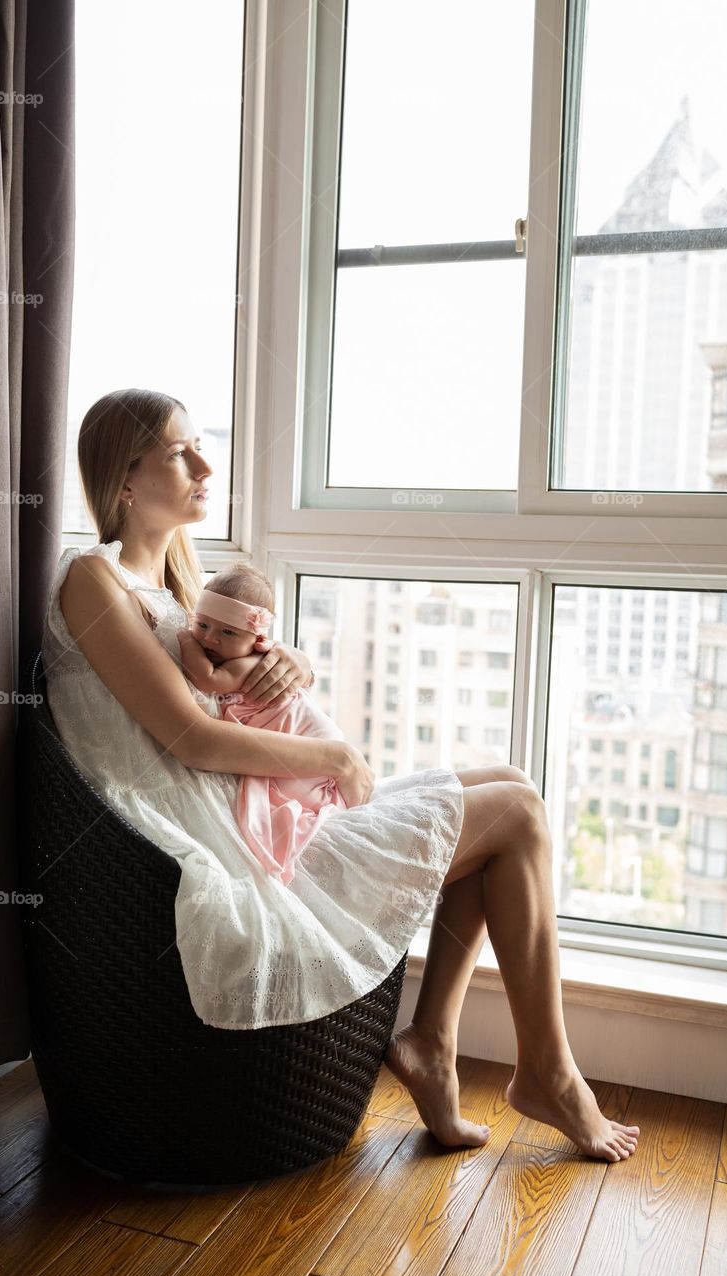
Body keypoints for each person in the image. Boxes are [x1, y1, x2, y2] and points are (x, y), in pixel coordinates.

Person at [43, 387, 640, 1162]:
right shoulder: (92, 579)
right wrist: (336, 759)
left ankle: (433, 1041)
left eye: (200, 445)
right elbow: (192, 738)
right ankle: (548, 1076)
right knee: (516, 817)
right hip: (222, 841)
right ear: (123, 480)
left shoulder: (178, 592)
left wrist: (285, 664)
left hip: (253, 808)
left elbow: (226, 697)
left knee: (507, 779)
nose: (204, 463)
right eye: (177, 452)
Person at [177, 561, 349, 886]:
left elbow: (207, 678)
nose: (210, 640)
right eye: (202, 626)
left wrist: (186, 639)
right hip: (316, 750)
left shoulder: (248, 663)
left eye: (227, 632)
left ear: (257, 637)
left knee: (296, 800)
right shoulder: (234, 650)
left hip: (312, 750)